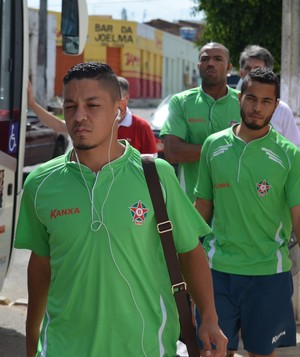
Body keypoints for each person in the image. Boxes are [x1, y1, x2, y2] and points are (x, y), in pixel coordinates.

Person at [15, 62, 227, 357]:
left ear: (119, 107)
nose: (79, 116)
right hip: (63, 348)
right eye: (70, 106)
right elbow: (40, 265)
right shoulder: (40, 183)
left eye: (92, 105)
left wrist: (210, 318)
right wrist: (31, 339)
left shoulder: (156, 175)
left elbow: (190, 252)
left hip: (145, 347)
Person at [194, 68, 300, 357]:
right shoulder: (213, 146)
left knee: (261, 353)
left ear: (276, 105)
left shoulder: (289, 155)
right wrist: (184, 257)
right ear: (239, 98)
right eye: (251, 98)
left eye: (267, 101)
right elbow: (202, 207)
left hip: (269, 273)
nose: (257, 107)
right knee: (212, 351)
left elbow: (298, 218)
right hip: (218, 271)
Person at [160, 42, 241, 202]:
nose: (210, 63)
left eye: (218, 59)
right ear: (198, 66)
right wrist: (226, 150)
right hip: (191, 200)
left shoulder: (242, 101)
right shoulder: (181, 101)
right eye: (205, 59)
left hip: (234, 201)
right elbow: (172, 152)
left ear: (229, 67)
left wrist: (195, 150)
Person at [28, 77, 158, 155]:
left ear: (125, 100)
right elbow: (59, 125)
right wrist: (32, 104)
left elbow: (151, 167)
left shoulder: (141, 127)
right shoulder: (93, 123)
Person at [237, 44, 300, 147]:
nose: (252, 73)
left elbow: (294, 148)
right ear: (241, 73)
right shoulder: (229, 103)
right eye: (248, 68)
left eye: (258, 69)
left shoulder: (282, 110)